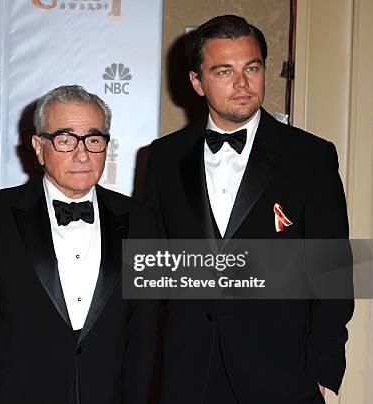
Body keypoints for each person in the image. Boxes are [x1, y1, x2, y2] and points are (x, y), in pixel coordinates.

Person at [144, 15, 353, 404]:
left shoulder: (311, 156)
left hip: (282, 378)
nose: (242, 84)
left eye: (251, 68)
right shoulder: (162, 158)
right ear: (196, 82)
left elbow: (335, 271)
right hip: (187, 375)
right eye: (224, 71)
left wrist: (325, 370)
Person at [0, 85, 159, 404]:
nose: (82, 154)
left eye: (94, 140)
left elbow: (143, 337)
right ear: (39, 147)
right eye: (65, 140)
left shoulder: (140, 220)